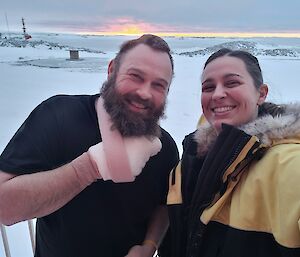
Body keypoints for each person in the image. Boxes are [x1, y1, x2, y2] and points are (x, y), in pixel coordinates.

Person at [0, 34, 179, 257]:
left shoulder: (165, 147)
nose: (144, 92)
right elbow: (4, 208)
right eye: (135, 76)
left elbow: (163, 205)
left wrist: (149, 245)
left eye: (159, 85)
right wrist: (88, 168)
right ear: (112, 70)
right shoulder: (59, 116)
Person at [165, 48, 300, 257]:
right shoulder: (194, 157)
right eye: (208, 87)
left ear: (261, 93)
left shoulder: (287, 164)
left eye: (232, 83)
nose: (217, 94)